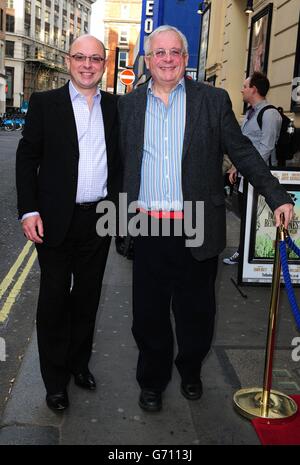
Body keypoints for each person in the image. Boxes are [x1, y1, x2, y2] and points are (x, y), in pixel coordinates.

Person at [118, 25, 293, 412]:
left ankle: (191, 368)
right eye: (159, 53)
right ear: (149, 60)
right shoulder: (129, 105)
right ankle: (152, 380)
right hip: (146, 226)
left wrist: (276, 195)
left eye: (174, 52)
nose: (166, 59)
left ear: (185, 59)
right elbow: (118, 164)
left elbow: (243, 151)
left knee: (197, 313)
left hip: (196, 224)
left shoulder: (212, 101)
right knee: (148, 316)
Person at [16, 35, 121, 411]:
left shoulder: (115, 106)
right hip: (55, 220)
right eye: (81, 57)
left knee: (88, 298)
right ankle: (54, 380)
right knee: (54, 301)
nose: (88, 64)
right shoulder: (46, 104)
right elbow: (27, 158)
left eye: (95, 59)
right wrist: (29, 211)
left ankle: (79, 365)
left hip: (99, 219)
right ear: (68, 60)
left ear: (104, 64)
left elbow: (122, 163)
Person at [223, 71, 282, 265]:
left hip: (259, 177)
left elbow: (266, 147)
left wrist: (244, 168)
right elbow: (244, 146)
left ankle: (250, 255)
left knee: (256, 217)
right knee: (246, 216)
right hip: (246, 176)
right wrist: (235, 167)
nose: (242, 90)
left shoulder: (270, 114)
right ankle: (244, 253)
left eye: (245, 86)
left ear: (254, 90)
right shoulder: (251, 113)